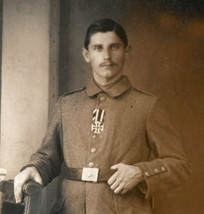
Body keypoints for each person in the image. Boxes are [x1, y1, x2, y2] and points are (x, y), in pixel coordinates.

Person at [14, 18, 191, 214]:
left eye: (114, 47)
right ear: (86, 54)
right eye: (98, 48)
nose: (107, 56)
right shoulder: (67, 104)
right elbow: (48, 157)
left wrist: (141, 172)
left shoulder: (147, 106)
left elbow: (180, 165)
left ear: (127, 51)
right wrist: (34, 168)